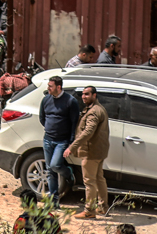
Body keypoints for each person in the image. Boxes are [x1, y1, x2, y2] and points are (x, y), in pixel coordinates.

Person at [65, 85, 109, 219]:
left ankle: (89, 210)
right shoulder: (97, 109)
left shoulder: (94, 111)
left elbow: (88, 132)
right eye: (83, 94)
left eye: (87, 94)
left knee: (89, 181)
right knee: (99, 179)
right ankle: (103, 207)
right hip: (99, 151)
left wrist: (72, 147)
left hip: (91, 152)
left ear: (94, 95)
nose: (84, 97)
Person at [38, 76, 80, 203]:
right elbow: (42, 118)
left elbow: (74, 123)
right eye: (48, 86)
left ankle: (68, 172)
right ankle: (54, 199)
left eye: (50, 86)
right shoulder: (46, 100)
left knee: (55, 165)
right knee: (50, 170)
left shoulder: (70, 101)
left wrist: (71, 142)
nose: (48, 88)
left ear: (58, 87)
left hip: (62, 141)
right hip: (48, 139)